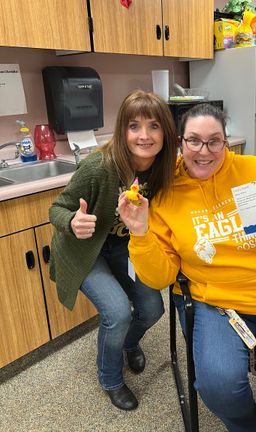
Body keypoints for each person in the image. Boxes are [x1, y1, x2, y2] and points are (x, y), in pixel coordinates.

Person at [119, 104, 256, 431]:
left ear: (226, 142)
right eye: (194, 141)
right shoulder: (164, 192)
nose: (204, 152)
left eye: (214, 141)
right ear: (180, 142)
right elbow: (159, 276)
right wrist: (140, 233)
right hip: (217, 305)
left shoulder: (254, 169)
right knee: (218, 387)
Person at [49, 90, 178, 411]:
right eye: (134, 126)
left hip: (125, 244)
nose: (144, 136)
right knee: (118, 313)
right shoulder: (99, 167)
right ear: (123, 131)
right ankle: (110, 378)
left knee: (152, 309)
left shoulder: (163, 169)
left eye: (154, 126)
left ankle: (129, 344)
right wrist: (72, 221)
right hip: (85, 249)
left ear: (166, 131)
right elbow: (58, 208)